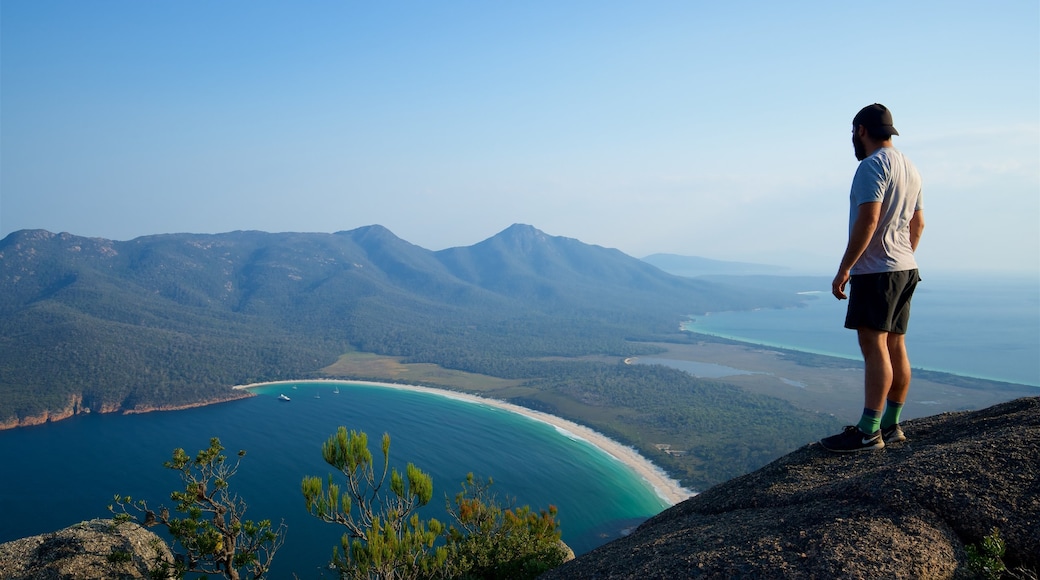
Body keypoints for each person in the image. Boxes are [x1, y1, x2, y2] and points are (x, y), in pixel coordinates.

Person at [820, 103, 925, 453]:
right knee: (896, 343)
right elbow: (918, 224)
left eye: (853, 132)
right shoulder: (911, 168)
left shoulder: (871, 166)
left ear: (861, 130)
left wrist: (845, 267)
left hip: (877, 269)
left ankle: (868, 432)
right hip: (905, 267)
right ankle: (892, 425)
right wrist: (903, 254)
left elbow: (868, 220)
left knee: (874, 346)